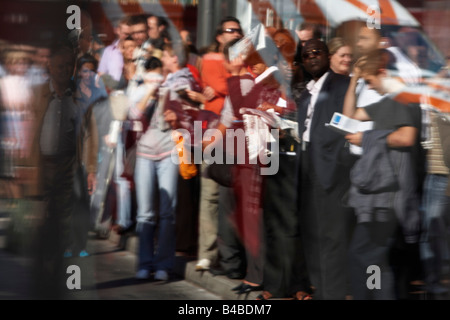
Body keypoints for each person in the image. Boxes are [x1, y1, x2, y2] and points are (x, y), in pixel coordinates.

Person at [343, 49, 422, 300]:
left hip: (388, 198)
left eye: (370, 81)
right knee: (373, 258)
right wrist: (354, 80)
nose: (371, 87)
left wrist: (366, 137)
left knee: (366, 256)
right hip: (381, 196)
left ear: (383, 73)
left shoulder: (401, 100)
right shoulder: (388, 102)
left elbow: (407, 137)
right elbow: (349, 116)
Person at [130, 43, 200, 281]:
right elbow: (133, 115)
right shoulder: (138, 89)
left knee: (167, 212)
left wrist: (176, 115)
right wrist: (150, 90)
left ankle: (164, 264)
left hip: (168, 153)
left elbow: (189, 116)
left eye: (159, 73)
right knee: (145, 214)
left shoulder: (174, 88)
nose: (157, 77)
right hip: (144, 154)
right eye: (152, 73)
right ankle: (144, 262)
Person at [295, 39, 355, 300]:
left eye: (316, 53)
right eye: (306, 55)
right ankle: (319, 287)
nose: (311, 58)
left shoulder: (342, 83)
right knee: (311, 230)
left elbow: (346, 121)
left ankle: (333, 292)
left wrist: (331, 144)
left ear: (328, 56)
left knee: (332, 233)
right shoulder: (306, 90)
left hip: (330, 165)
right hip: (305, 163)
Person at [194, 16, 243, 273]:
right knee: (210, 195)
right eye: (229, 30)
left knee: (231, 199)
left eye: (238, 30)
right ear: (218, 34)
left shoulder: (241, 59)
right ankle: (206, 253)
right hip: (211, 129)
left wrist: (218, 89)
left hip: (235, 135)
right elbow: (205, 84)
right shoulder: (210, 60)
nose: (234, 34)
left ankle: (231, 258)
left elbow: (237, 86)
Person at [97, 16, 131, 88]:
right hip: (111, 91)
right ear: (117, 31)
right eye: (125, 33)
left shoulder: (134, 50)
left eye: (130, 34)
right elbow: (101, 73)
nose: (127, 37)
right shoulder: (108, 51)